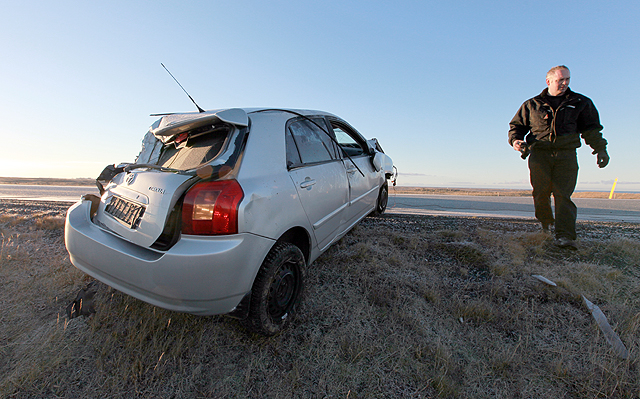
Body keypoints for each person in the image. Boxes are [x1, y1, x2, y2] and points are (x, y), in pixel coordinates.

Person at [508, 65, 609, 249]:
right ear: (548, 81)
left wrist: (600, 149)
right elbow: (517, 126)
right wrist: (516, 141)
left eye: (567, 79)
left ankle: (565, 236)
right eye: (560, 80)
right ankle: (546, 224)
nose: (564, 83)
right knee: (541, 193)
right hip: (539, 155)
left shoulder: (581, 102)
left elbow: (591, 129)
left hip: (566, 155)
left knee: (563, 195)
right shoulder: (532, 104)